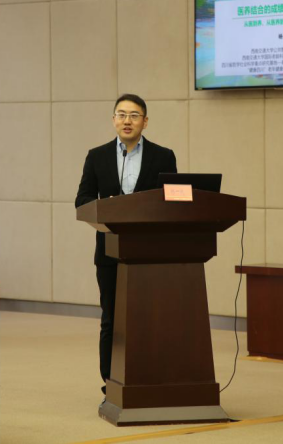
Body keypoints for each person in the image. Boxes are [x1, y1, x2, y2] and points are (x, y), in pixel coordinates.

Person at [75, 94, 178, 396]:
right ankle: (110, 382)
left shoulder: (163, 156)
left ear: (145, 121)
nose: (127, 121)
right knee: (111, 319)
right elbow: (82, 200)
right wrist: (105, 207)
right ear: (113, 120)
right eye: (121, 115)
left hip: (149, 252)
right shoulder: (97, 156)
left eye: (134, 115)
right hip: (109, 250)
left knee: (149, 318)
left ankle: (149, 377)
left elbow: (172, 199)